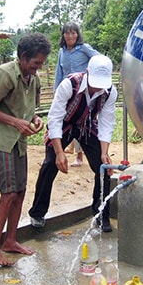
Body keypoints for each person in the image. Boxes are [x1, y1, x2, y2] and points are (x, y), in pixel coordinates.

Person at [0, 32, 51, 267]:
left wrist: (35, 119)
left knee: (19, 191)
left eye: (41, 63)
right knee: (8, 193)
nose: (38, 68)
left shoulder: (34, 79)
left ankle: (10, 241)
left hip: (18, 139)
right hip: (0, 138)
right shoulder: (5, 75)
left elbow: (30, 109)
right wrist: (15, 122)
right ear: (22, 57)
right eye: (35, 63)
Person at [29, 54, 118, 232]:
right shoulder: (69, 84)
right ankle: (37, 213)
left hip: (87, 125)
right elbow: (54, 118)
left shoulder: (110, 91)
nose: (97, 88)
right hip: (64, 124)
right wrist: (60, 152)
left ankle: (101, 213)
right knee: (49, 165)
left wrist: (104, 153)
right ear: (87, 73)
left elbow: (106, 123)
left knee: (103, 168)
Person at [55, 22, 100, 167]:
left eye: (73, 33)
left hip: (83, 91)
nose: (70, 36)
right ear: (63, 35)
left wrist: (92, 73)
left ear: (77, 34)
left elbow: (98, 59)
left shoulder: (84, 49)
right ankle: (67, 148)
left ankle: (80, 156)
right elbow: (59, 73)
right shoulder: (62, 52)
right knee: (67, 120)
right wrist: (56, 92)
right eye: (67, 33)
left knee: (82, 120)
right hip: (67, 91)